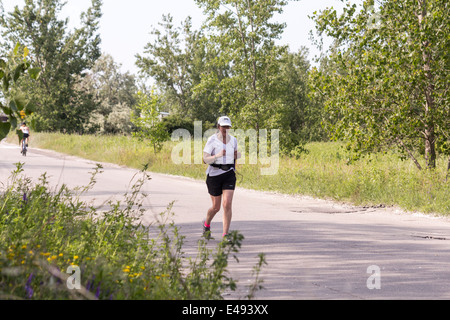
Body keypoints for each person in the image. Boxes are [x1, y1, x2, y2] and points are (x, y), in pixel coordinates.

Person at [202, 116, 240, 241]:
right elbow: (204, 159)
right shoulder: (212, 140)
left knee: (227, 204)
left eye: (228, 127)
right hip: (214, 175)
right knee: (216, 207)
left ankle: (225, 235)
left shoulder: (233, 140)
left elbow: (235, 156)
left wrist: (236, 155)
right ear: (218, 126)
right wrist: (217, 155)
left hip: (228, 174)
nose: (225, 129)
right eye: (223, 126)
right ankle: (206, 224)